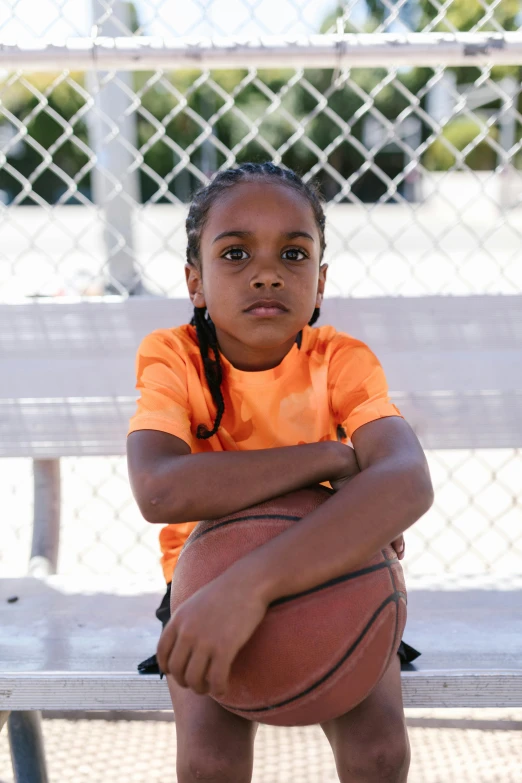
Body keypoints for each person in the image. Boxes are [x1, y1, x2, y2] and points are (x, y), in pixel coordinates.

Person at [126, 161, 433, 783]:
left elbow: (407, 480)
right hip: (201, 584)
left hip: (335, 576)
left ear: (319, 283)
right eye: (235, 253)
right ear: (196, 282)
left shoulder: (340, 360)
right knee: (210, 762)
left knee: (379, 752)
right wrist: (330, 460)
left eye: (293, 255)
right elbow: (159, 488)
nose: (266, 272)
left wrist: (252, 585)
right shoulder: (174, 357)